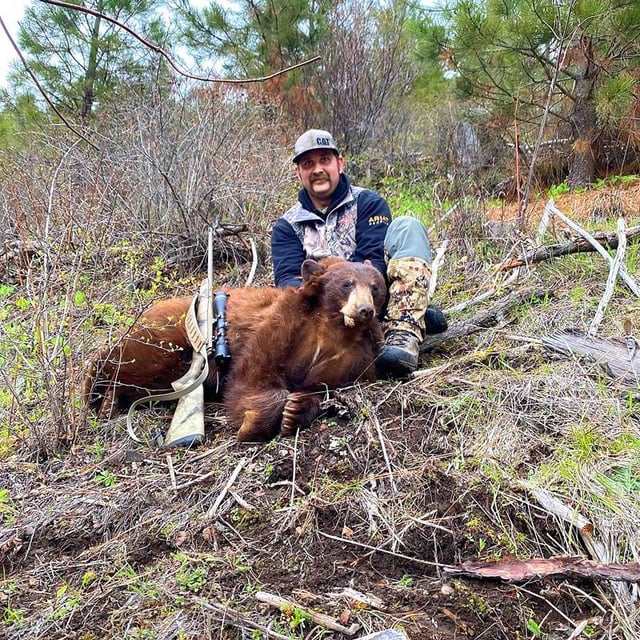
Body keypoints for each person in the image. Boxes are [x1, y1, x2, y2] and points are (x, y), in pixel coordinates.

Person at [271, 129, 447, 377]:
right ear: (298, 172)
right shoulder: (287, 226)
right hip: (325, 318)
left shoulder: (368, 203)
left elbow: (374, 264)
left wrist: (338, 283)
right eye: (308, 163)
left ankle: (403, 330)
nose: (318, 169)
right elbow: (288, 281)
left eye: (325, 160)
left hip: (372, 299)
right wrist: (333, 301)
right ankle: (411, 317)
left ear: (339, 164)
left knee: (408, 226)